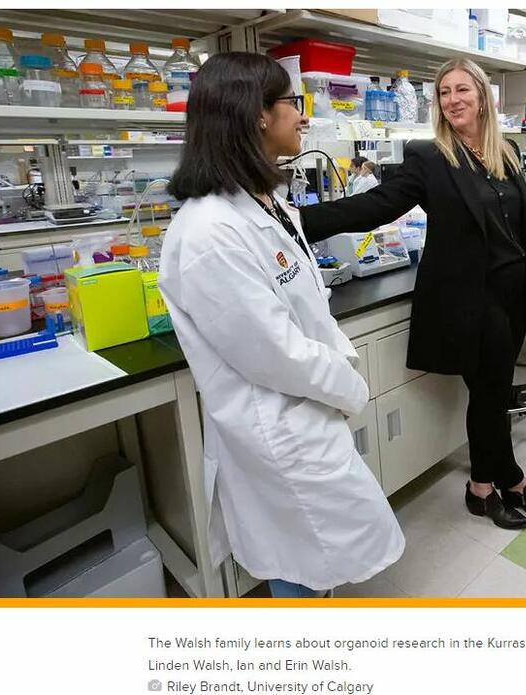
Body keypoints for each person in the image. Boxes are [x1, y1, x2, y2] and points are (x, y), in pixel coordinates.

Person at [158, 53, 404, 597]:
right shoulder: (208, 233)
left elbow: (305, 307)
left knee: (314, 563)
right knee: (299, 566)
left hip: (305, 407)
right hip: (278, 426)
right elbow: (275, 351)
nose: (302, 114)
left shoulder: (265, 202)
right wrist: (350, 387)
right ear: (256, 116)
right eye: (292, 101)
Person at [299, 58, 526, 530]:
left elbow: (518, 211)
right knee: (489, 396)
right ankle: (499, 485)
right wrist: (296, 219)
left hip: (513, 293)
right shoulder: (431, 158)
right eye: (444, 93)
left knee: (493, 394)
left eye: (462, 90)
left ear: (482, 96)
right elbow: (377, 205)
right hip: (472, 299)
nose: (453, 100)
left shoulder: (503, 151)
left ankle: (494, 485)